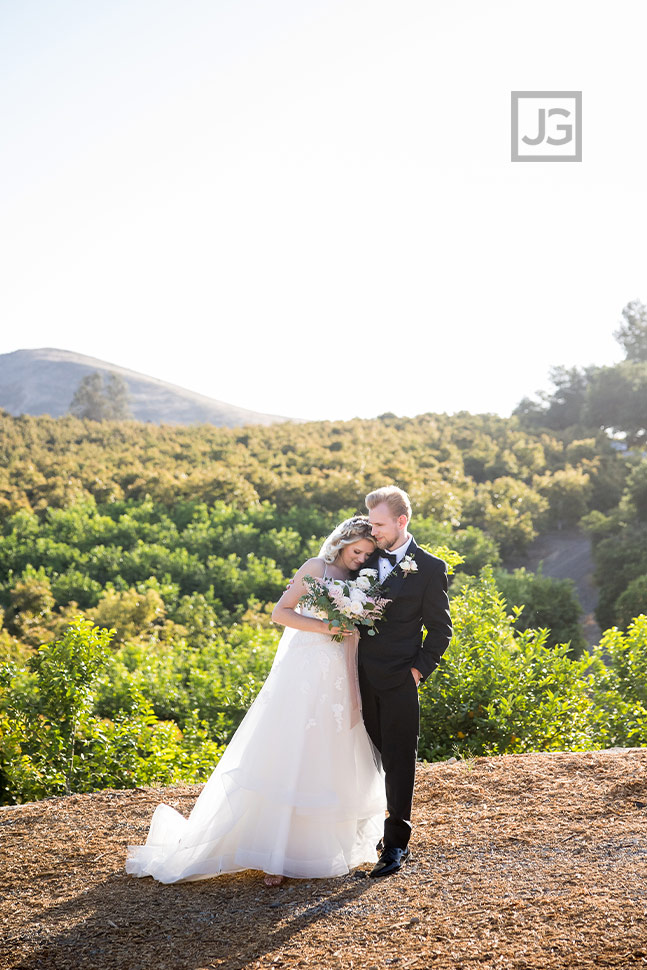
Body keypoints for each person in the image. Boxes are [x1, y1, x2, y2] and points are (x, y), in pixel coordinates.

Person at [125, 516, 386, 887]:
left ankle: (323, 849)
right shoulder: (317, 568)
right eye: (357, 551)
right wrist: (326, 626)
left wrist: (354, 689)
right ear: (342, 543)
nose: (361, 558)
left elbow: (353, 638)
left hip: (337, 678)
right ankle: (272, 856)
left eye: (366, 554)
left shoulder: (359, 582)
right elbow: (281, 612)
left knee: (327, 756)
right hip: (304, 672)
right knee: (289, 755)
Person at [358, 485, 453, 879]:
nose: (372, 531)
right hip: (357, 677)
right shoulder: (362, 557)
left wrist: (417, 672)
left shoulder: (430, 567)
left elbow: (441, 630)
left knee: (399, 761)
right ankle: (357, 832)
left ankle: (395, 844)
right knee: (361, 756)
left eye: (379, 524)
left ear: (402, 521)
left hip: (399, 680)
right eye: (370, 522)